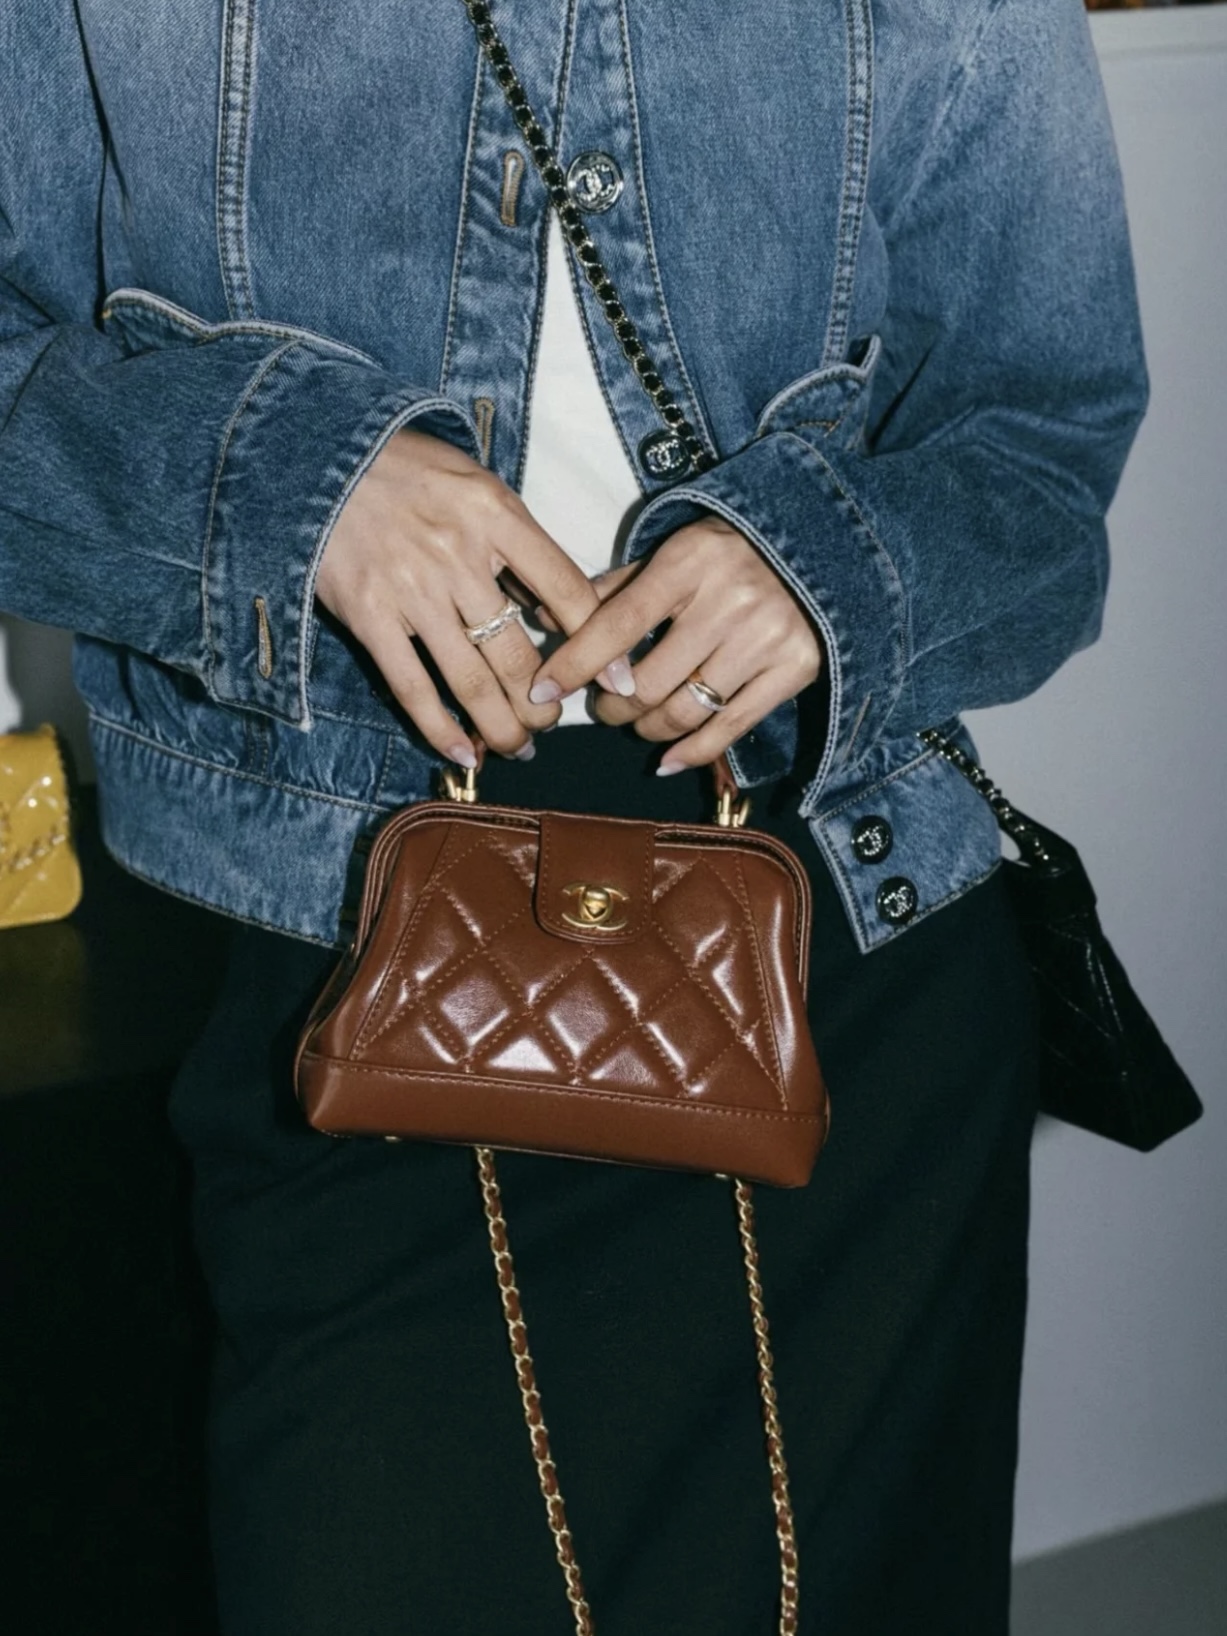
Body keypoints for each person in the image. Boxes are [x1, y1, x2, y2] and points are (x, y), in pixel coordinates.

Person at [0, 2, 1147, 1631]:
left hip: (833, 940)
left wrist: (828, 569)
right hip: (333, 935)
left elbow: (1043, 441)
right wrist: (290, 487)